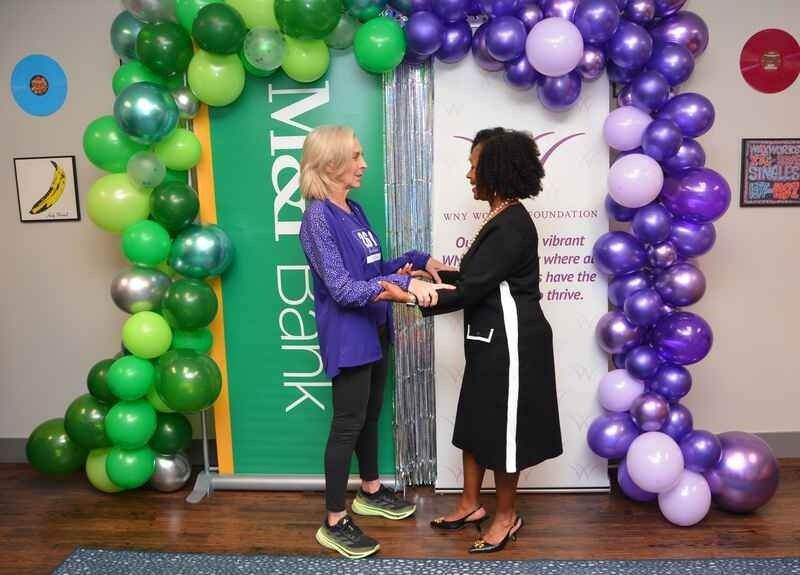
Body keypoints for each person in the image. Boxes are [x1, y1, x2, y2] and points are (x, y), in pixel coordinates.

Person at [383, 128, 563, 553]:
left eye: (474, 165)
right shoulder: (500, 218)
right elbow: (476, 279)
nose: (468, 174)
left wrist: (409, 296)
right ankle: (470, 504)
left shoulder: (511, 224)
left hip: (514, 344)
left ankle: (505, 516)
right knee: (475, 421)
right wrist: (432, 275)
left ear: (495, 171)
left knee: (504, 433)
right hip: (489, 339)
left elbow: (473, 290)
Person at [298, 125, 454, 559]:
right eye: (356, 156)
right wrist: (402, 290)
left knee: (369, 416)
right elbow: (345, 288)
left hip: (376, 326)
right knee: (347, 423)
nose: (363, 164)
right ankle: (333, 519)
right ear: (331, 164)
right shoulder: (317, 219)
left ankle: (369, 491)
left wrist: (418, 262)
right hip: (348, 334)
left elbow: (373, 269)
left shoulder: (353, 208)